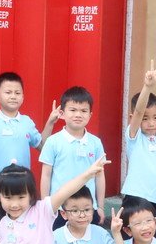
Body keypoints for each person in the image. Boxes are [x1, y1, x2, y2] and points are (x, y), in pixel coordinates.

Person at [0, 71, 59, 240]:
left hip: (21, 190)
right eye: (8, 92)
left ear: (23, 97)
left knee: (22, 233)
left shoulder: (27, 122)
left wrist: (50, 122)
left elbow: (42, 146)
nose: (13, 96)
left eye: (17, 93)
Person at [40, 86, 107, 227]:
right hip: (59, 208)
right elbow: (46, 175)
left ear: (90, 115)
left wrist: (100, 207)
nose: (78, 114)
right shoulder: (53, 141)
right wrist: (45, 207)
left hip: (88, 209)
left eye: (83, 111)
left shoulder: (95, 143)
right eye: (73, 110)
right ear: (62, 113)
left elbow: (100, 176)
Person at [120, 61, 156, 224]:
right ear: (134, 119)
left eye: (155, 117)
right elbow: (138, 111)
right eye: (145, 119)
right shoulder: (135, 137)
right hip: (135, 198)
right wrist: (148, 86)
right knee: (131, 234)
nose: (151, 123)